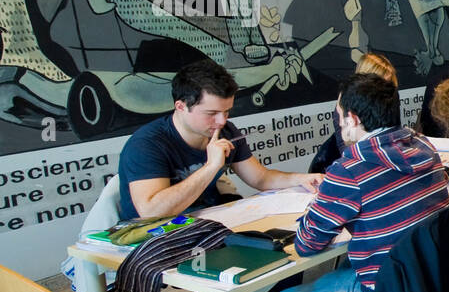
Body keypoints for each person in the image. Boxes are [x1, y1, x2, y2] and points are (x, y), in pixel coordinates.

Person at [261, 73, 449, 292]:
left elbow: (307, 245)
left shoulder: (349, 169)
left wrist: (319, 206)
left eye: (338, 116)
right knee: (340, 269)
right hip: (433, 280)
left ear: (352, 118)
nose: (338, 124)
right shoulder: (423, 146)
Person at [118, 59, 323, 222]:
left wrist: (300, 178)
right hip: (159, 236)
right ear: (181, 107)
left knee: (283, 253)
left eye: (226, 111)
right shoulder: (146, 145)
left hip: (209, 223)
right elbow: (152, 212)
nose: (222, 120)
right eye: (212, 113)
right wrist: (210, 167)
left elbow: (260, 178)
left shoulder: (225, 130)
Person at [311, 52, 398, 174]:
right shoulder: (345, 103)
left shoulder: (390, 97)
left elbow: (394, 132)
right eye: (383, 83)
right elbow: (347, 147)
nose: (386, 89)